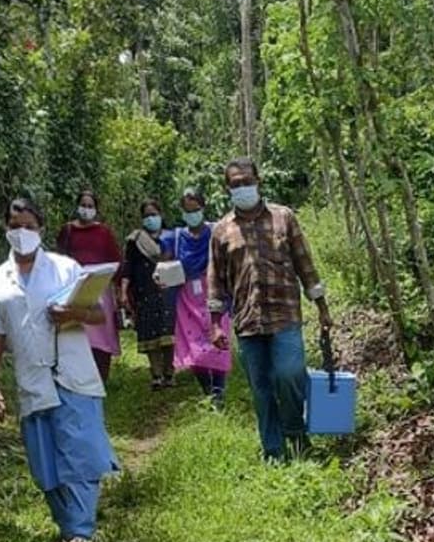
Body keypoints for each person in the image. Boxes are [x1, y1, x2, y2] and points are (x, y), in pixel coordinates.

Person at [0, 198, 120, 542]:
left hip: (72, 374)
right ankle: (67, 526)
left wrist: (73, 312)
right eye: (14, 225)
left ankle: (81, 532)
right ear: (5, 229)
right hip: (32, 380)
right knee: (45, 462)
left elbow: (99, 317)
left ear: (40, 228)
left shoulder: (65, 268)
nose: (20, 231)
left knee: (81, 453)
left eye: (27, 224)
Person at [208, 158, 333, 463]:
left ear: (258, 180)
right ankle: (273, 450)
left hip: (285, 314)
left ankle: (296, 433)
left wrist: (322, 307)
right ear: (228, 188)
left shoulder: (283, 217)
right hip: (248, 321)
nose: (242, 187)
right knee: (261, 388)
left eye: (246, 181)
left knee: (290, 375)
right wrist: (215, 325)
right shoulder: (222, 230)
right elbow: (215, 279)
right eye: (235, 184)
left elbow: (305, 263)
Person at [165, 188, 231, 403]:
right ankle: (207, 390)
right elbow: (166, 265)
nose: (192, 214)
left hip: (214, 293)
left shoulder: (216, 231)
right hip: (187, 299)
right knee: (193, 347)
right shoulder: (176, 237)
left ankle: (219, 391)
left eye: (195, 209)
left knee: (218, 341)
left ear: (203, 208)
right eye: (187, 210)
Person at [54, 190, 122, 382]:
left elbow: (115, 259)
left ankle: (101, 376)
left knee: (102, 332)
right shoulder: (67, 231)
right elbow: (59, 257)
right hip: (74, 285)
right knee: (78, 329)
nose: (86, 209)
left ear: (96, 210)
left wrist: (118, 287)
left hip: (100, 285)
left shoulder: (104, 233)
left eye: (90, 206)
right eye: (83, 205)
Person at [120, 199, 177, 389]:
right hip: (145, 291)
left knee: (168, 334)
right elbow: (128, 268)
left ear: (161, 215)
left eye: (154, 214)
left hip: (168, 291)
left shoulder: (172, 238)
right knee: (151, 335)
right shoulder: (135, 240)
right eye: (146, 216)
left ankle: (169, 372)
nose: (150, 218)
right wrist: (124, 292)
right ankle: (156, 375)